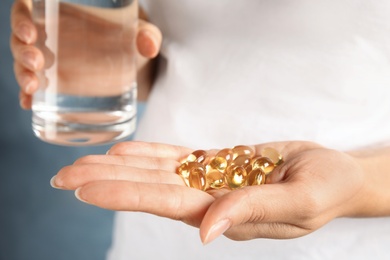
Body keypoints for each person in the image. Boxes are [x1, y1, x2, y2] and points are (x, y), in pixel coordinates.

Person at [11, 0, 390, 259]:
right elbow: (182, 56)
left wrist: (359, 182)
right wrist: (110, 61)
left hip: (341, 245)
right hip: (155, 233)